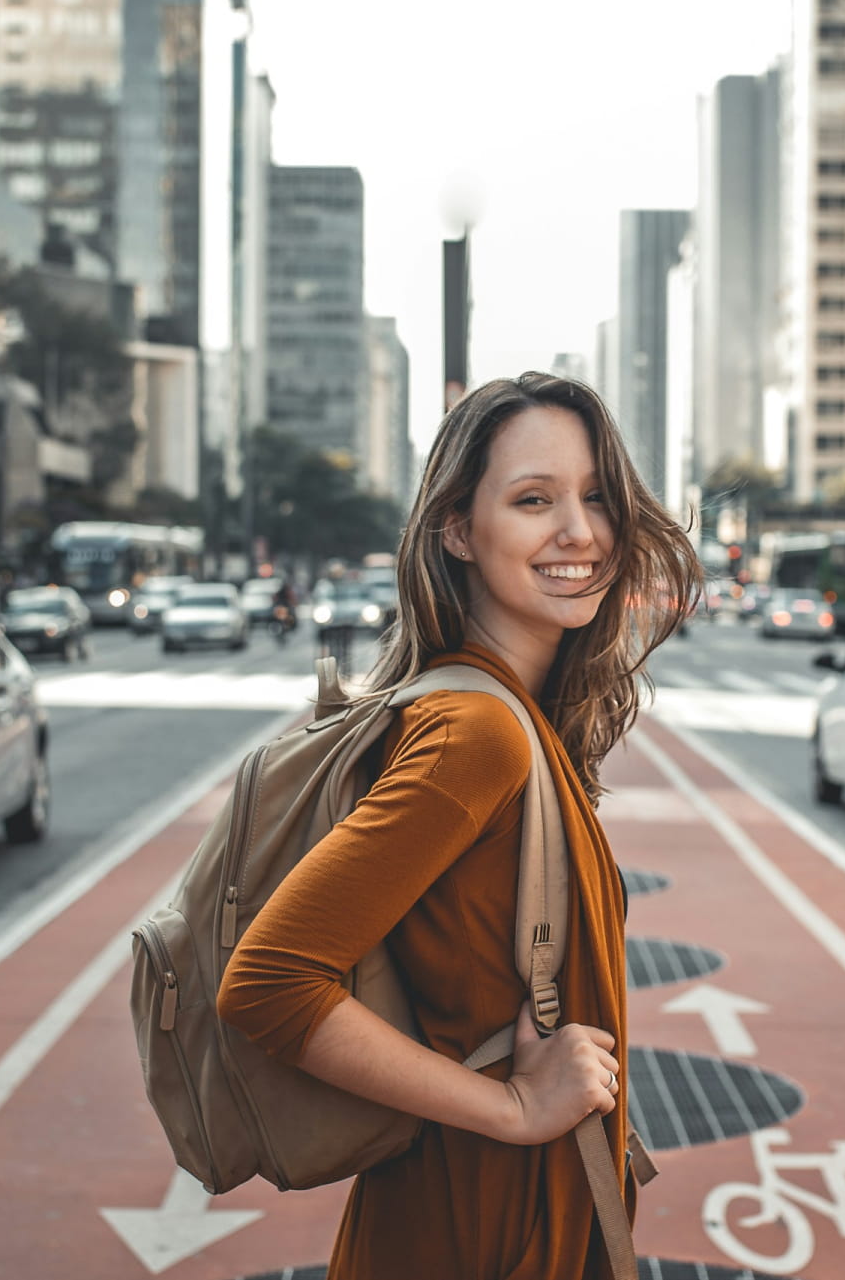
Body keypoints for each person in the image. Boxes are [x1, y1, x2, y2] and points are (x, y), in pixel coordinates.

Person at [216, 373, 700, 1279]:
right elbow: (269, 982)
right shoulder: (476, 733)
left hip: (510, 1214)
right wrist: (516, 1107)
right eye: (532, 500)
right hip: (478, 1228)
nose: (581, 531)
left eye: (596, 496)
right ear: (456, 530)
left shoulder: (509, 712)